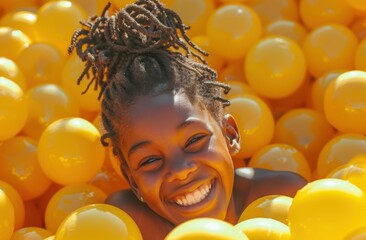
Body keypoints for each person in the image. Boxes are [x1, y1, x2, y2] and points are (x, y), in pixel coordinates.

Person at [69, 0, 307, 239]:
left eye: (194, 140)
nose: (180, 171)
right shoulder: (124, 226)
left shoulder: (286, 200)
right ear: (132, 181)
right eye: (150, 160)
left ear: (230, 134)